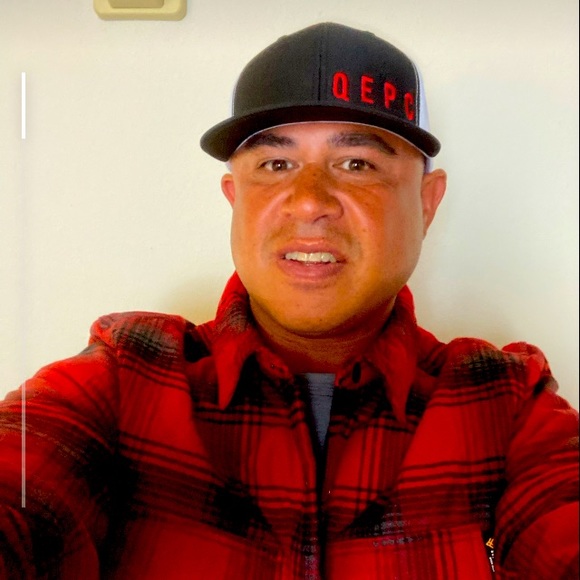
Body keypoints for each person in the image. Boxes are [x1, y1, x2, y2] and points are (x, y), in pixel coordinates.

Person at [0, 22, 577, 580]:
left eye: (357, 164)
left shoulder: (508, 406)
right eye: (276, 165)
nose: (308, 202)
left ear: (427, 203)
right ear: (235, 199)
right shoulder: (123, 377)